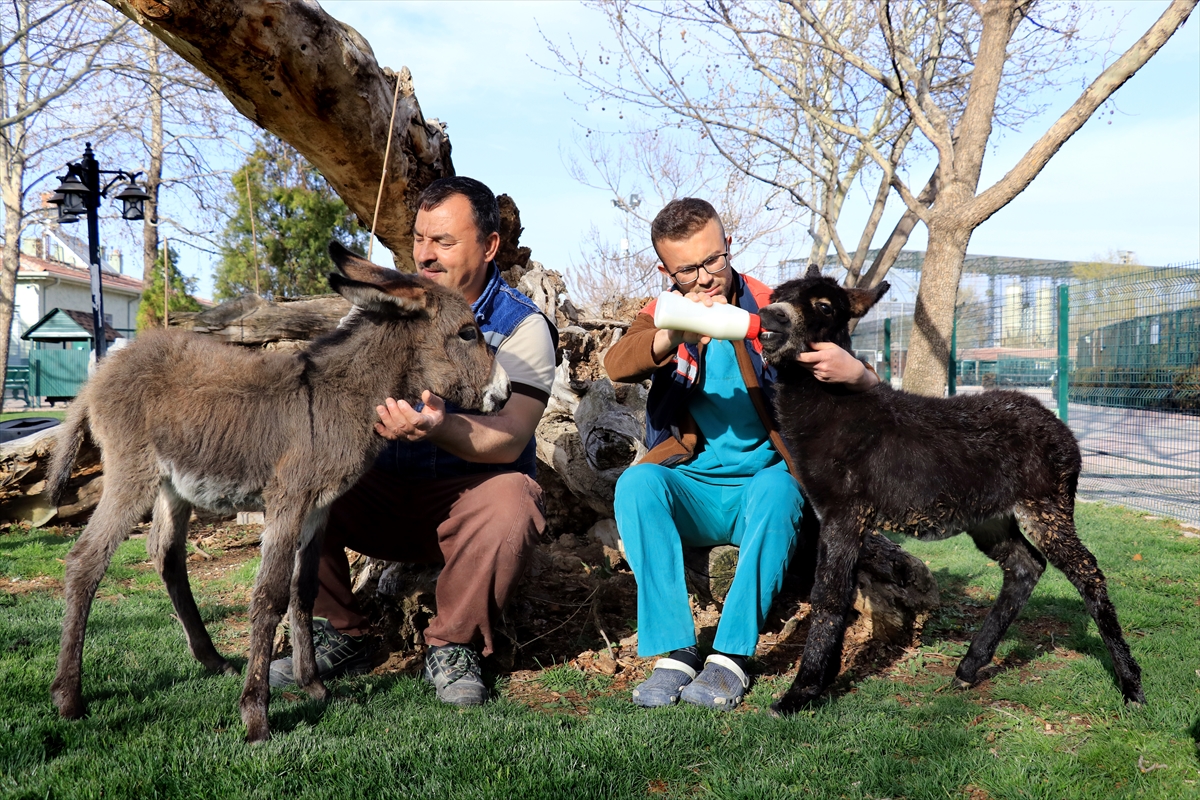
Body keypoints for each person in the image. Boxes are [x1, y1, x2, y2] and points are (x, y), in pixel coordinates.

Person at [269, 176, 557, 707]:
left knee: (514, 499)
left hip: (459, 508)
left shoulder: (524, 327)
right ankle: (338, 631)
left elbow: (511, 437)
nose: (425, 255)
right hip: (373, 494)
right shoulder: (384, 305)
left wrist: (440, 427)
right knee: (297, 473)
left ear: (490, 246)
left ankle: (455, 645)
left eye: (444, 241)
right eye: (421, 238)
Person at [604, 198, 877, 710]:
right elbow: (617, 363)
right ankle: (676, 651)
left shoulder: (772, 305)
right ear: (667, 271)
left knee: (779, 486)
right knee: (636, 484)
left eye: (713, 260)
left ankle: (730, 657)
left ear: (728, 247)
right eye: (687, 269)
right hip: (695, 489)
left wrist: (858, 373)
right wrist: (674, 334)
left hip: (762, 489)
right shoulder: (665, 310)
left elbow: (857, 381)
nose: (705, 278)